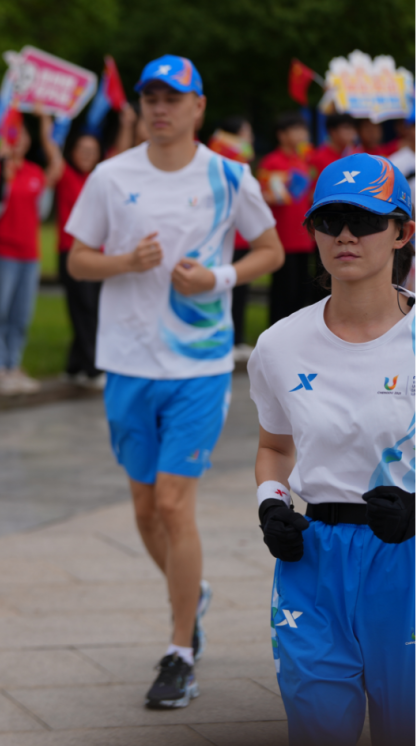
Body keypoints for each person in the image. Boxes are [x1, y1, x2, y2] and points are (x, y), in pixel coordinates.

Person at [66, 55, 284, 709]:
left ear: (198, 106)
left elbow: (270, 249)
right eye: (150, 98)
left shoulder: (227, 175)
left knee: (171, 503)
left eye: (173, 98)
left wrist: (217, 279)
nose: (160, 108)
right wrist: (125, 261)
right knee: (142, 508)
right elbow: (76, 260)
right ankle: (193, 593)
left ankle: (180, 649)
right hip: (128, 364)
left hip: (198, 364)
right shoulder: (110, 176)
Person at [248, 153, 414, 746]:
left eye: (366, 221)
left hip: (408, 562)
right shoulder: (278, 345)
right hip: (312, 564)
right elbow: (273, 445)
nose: (346, 234)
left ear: (402, 231)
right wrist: (271, 504)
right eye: (331, 219)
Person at [0, 114, 63, 395]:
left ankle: (14, 364)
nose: (18, 141)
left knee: (21, 315)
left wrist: (46, 129)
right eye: (13, 135)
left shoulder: (34, 172)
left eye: (23, 136)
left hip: (30, 256)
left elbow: (41, 212)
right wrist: (3, 179)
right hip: (3, 253)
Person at [53, 131, 104, 389]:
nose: (87, 155)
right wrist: (46, 121)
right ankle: (92, 367)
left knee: (92, 308)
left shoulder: (98, 179)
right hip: (71, 253)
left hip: (98, 254)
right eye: (82, 150)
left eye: (92, 151)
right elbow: (51, 149)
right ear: (72, 152)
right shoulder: (65, 175)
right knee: (84, 308)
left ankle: (75, 365)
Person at [260, 112, 317, 324]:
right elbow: (265, 195)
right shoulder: (271, 162)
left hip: (303, 237)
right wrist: (276, 193)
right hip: (283, 238)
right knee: (283, 291)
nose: (303, 134)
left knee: (301, 292)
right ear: (282, 135)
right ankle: (275, 332)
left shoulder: (302, 161)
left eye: (304, 130)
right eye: (297, 129)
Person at [208, 116, 256, 361]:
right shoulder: (221, 158)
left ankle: (236, 339)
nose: (251, 138)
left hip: (242, 235)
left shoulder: (238, 158)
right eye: (247, 131)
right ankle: (227, 338)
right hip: (227, 236)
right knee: (227, 290)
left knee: (240, 290)